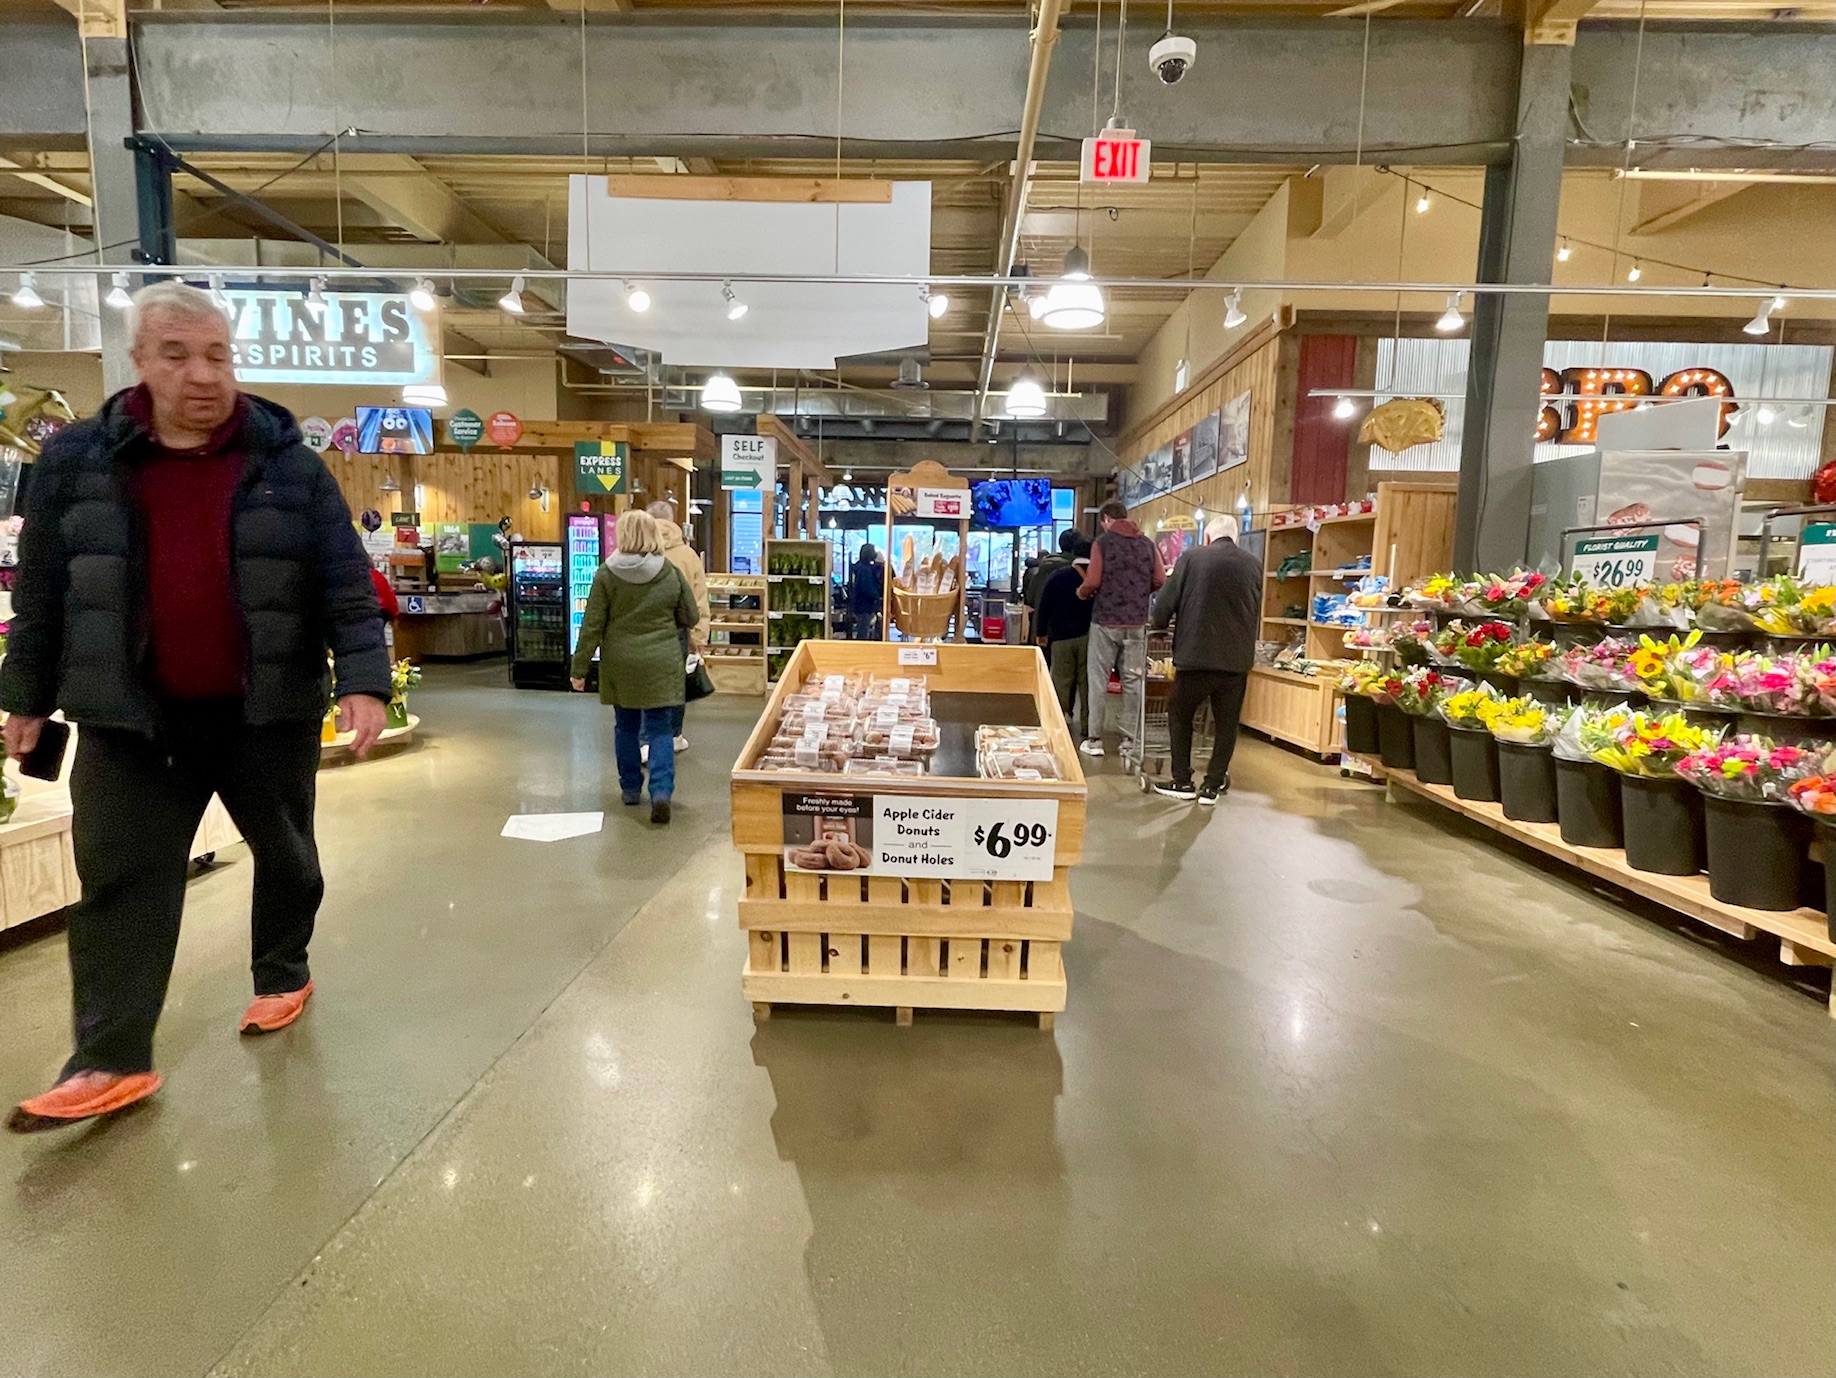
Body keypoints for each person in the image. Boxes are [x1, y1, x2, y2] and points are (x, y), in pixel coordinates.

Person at [1, 281, 388, 1132]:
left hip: (265, 711)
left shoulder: (288, 463)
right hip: (131, 718)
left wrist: (365, 679)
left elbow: (343, 582)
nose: (202, 374)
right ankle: (109, 1057)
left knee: (287, 856)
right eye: (176, 355)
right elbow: (42, 593)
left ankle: (282, 972)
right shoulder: (77, 462)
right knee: (119, 881)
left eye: (216, 355)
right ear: (139, 360)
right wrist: (24, 697)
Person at [571, 508, 700, 826]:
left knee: (626, 727)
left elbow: (592, 625)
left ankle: (630, 789)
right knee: (660, 729)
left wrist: (579, 669)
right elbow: (691, 615)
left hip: (621, 663)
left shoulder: (606, 574)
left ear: (623, 535)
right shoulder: (669, 572)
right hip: (661, 661)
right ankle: (661, 793)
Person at [1149, 516, 1262, 804]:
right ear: (1235, 538)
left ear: (1208, 537)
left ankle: (1182, 780)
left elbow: (1166, 601)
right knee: (1226, 724)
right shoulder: (1253, 564)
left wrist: (1159, 626)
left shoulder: (1192, 558)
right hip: (1236, 660)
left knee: (1180, 713)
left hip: (1196, 655)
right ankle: (1212, 786)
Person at [1076, 498, 1167, 759]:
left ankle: (1095, 740)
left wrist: (1082, 592)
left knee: (1098, 680)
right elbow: (1160, 578)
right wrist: (1140, 593)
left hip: (1105, 621)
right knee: (1133, 681)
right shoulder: (1147, 543)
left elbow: (1093, 580)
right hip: (1136, 622)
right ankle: (1129, 741)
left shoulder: (1102, 543)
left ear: (1106, 520)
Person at [648, 500, 708, 755]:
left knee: (646, 683)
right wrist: (699, 636)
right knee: (676, 683)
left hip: (645, 628)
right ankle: (674, 735)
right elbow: (699, 598)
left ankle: (646, 739)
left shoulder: (638, 551)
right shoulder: (688, 555)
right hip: (678, 629)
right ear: (672, 521)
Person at [1034, 534, 1093, 738]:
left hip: (1061, 638)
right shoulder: (1097, 578)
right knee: (1087, 684)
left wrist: (1041, 632)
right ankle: (1088, 728)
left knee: (1061, 682)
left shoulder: (1058, 576)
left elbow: (1044, 606)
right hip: (1090, 638)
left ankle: (1057, 726)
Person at [849, 544, 885, 640]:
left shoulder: (860, 567)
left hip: (860, 604)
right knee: (863, 633)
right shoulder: (865, 569)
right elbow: (867, 588)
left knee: (862, 630)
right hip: (865, 606)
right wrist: (877, 597)